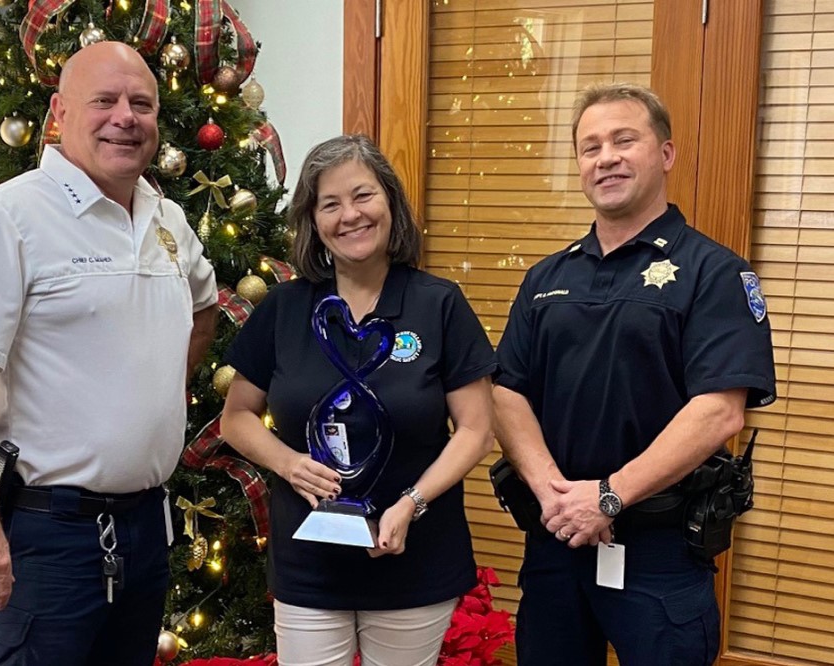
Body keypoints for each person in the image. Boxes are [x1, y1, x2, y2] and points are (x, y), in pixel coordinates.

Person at [0, 41, 217, 665]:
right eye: (103, 101)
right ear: (58, 111)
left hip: (143, 528)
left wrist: (141, 399)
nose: (125, 117)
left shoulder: (168, 220)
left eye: (142, 104)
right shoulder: (5, 219)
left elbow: (202, 314)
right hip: (41, 537)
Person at [492, 82, 776, 666]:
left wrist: (610, 497)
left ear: (665, 154)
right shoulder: (546, 277)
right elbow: (506, 393)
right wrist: (557, 496)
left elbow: (719, 409)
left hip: (659, 554)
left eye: (625, 140)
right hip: (556, 542)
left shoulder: (713, 273)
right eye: (590, 146)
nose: (607, 158)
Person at [220, 135, 495, 666]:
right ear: (314, 221)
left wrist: (412, 503)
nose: (350, 215)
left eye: (363, 196)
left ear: (390, 202)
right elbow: (236, 417)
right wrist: (290, 464)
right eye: (330, 204)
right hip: (309, 560)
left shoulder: (438, 305)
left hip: (414, 555)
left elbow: (476, 432)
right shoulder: (285, 307)